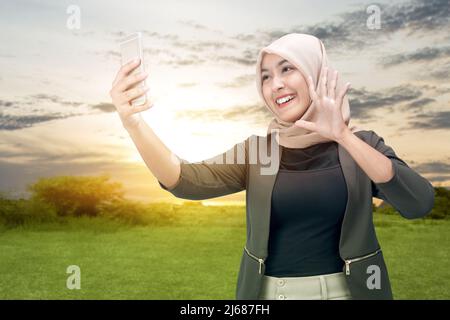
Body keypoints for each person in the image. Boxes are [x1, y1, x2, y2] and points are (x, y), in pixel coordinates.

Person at [109, 33, 435, 300]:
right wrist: (133, 122)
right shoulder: (258, 152)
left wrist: (343, 136)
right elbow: (183, 180)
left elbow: (418, 202)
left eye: (287, 69)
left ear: (316, 73)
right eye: (265, 77)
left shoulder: (362, 146)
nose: (275, 84)